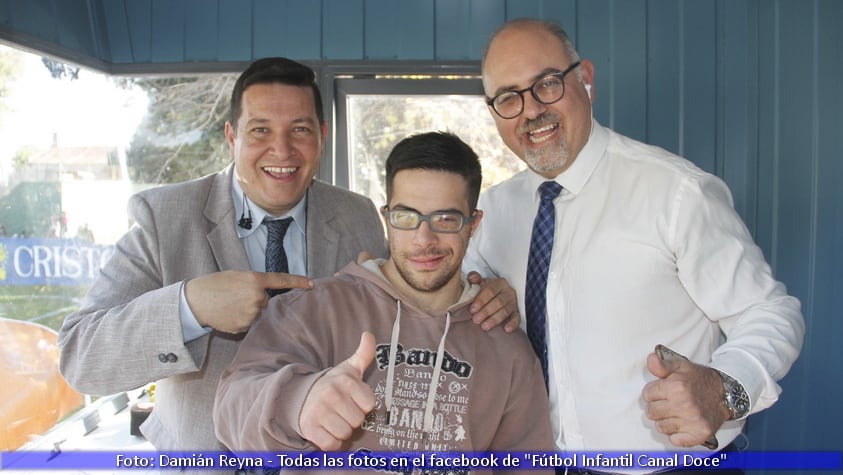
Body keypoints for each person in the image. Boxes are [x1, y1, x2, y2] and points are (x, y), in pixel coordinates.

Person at [57, 58, 517, 453]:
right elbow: (80, 357)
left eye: (299, 130)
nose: (282, 150)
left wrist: (480, 296)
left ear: (321, 135)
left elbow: (413, 292)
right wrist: (189, 308)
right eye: (260, 130)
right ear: (231, 136)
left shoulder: (356, 215)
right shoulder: (165, 218)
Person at [463, 18, 805, 472]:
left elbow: (770, 312)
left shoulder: (677, 193)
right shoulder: (494, 213)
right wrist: (482, 289)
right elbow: (452, 300)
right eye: (508, 97)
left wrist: (724, 388)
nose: (530, 111)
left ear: (585, 79)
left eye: (546, 84)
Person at [213, 132, 555, 470]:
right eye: (406, 217)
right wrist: (296, 403)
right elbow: (230, 411)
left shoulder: (506, 345)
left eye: (446, 219)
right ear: (387, 216)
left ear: (473, 224)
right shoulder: (313, 309)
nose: (424, 239)